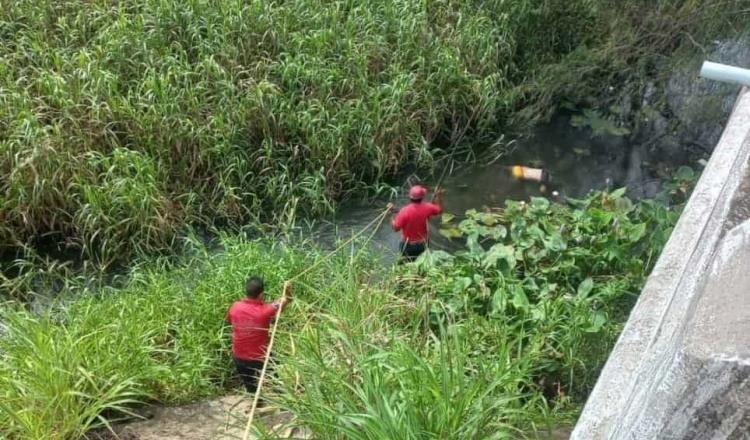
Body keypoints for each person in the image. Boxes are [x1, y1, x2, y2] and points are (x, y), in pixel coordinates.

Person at [226, 277, 291, 393]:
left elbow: (229, 321)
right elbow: (286, 299)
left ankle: (256, 399)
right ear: (261, 294)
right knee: (275, 376)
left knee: (249, 383)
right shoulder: (265, 311)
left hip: (239, 356)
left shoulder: (234, 306)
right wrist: (287, 289)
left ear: (246, 291)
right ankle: (281, 395)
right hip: (261, 357)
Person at [390, 185, 444, 262]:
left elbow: (395, 228)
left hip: (408, 245)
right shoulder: (428, 207)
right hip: (423, 244)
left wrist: (391, 216)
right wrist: (438, 196)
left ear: (410, 197)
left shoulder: (404, 211)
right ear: (422, 197)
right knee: (421, 265)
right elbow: (440, 210)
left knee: (406, 265)